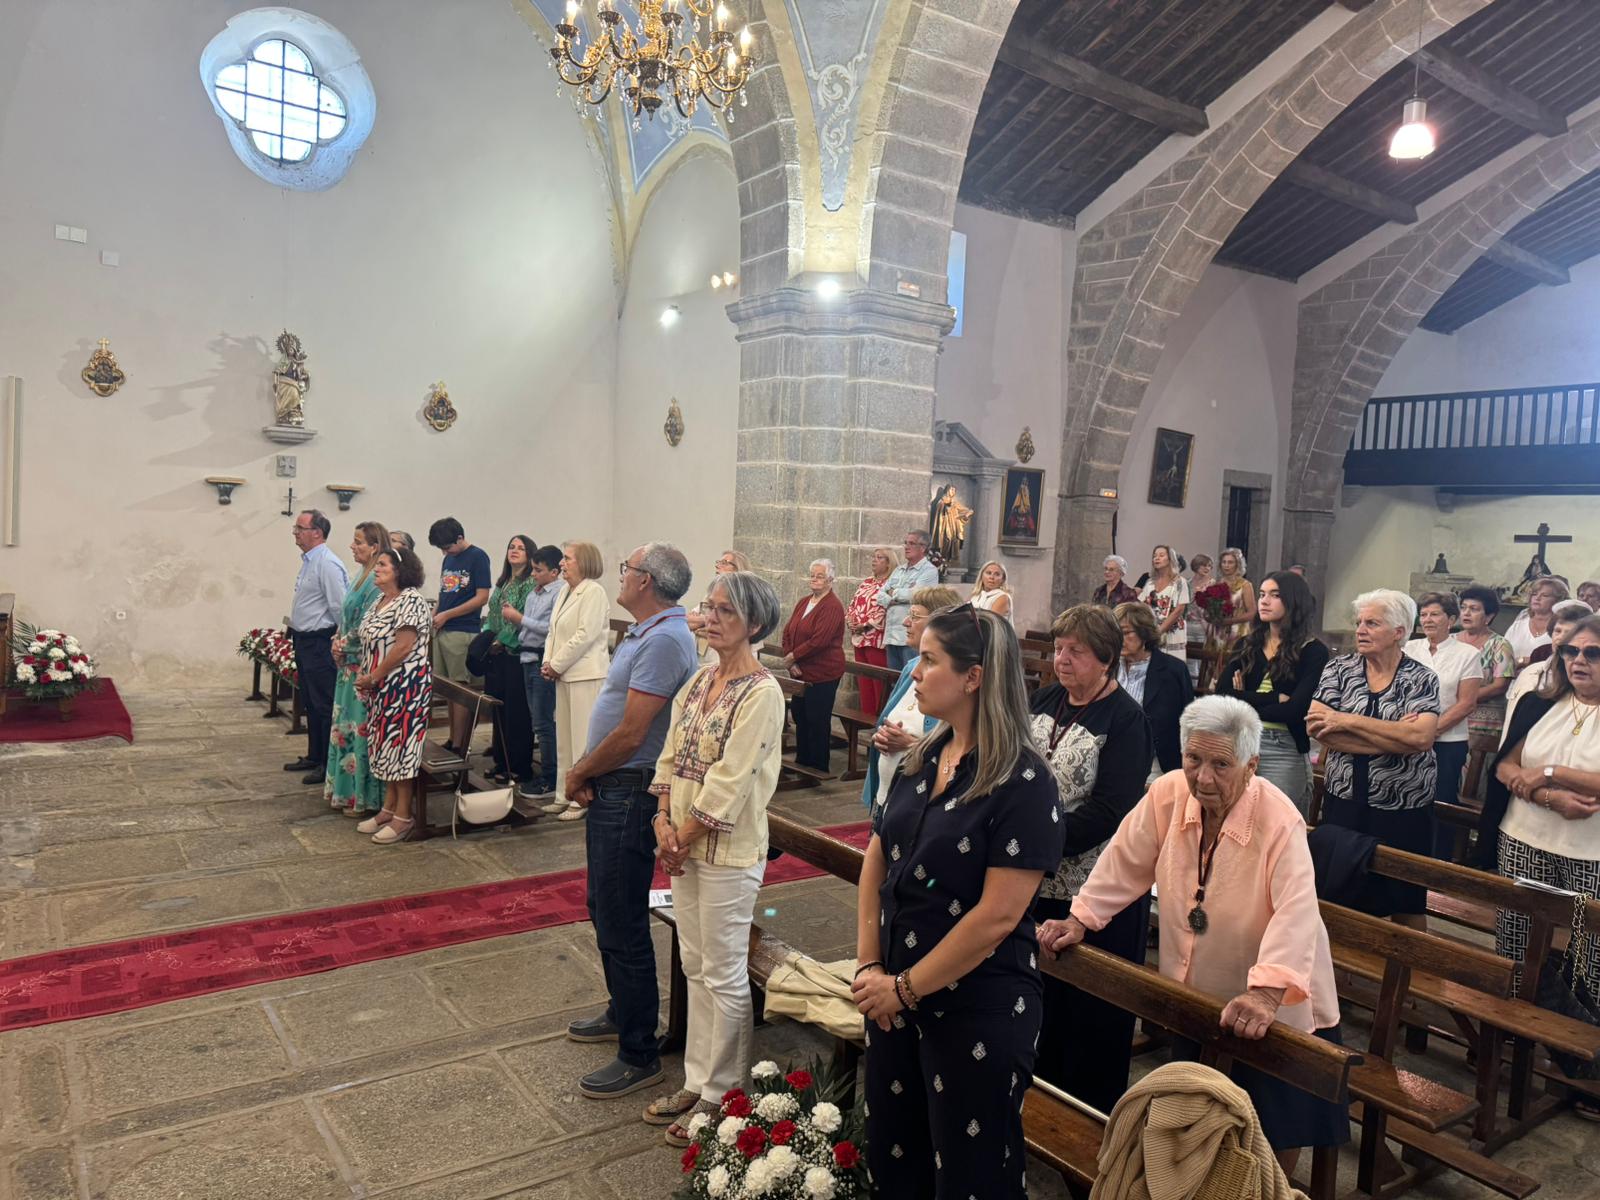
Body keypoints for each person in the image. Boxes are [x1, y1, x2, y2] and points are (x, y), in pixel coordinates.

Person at [1042, 696, 1345, 1175]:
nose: (1203, 778)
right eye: (1193, 760)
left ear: (1251, 765)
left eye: (1220, 764)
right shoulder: (1167, 793)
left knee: (1274, 1126)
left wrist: (1266, 993)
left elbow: (1297, 910)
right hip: (1198, 990)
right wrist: (1080, 918)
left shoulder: (1279, 817)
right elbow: (1125, 858)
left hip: (1273, 996)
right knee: (1196, 1112)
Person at [852, 606, 1064, 1198]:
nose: (912, 673)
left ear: (973, 678)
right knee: (897, 1155)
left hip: (977, 1003)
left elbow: (997, 916)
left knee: (970, 1174)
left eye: (928, 659)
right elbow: (877, 857)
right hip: (893, 993)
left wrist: (904, 987)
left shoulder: (1024, 783)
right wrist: (872, 968)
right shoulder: (923, 757)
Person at [642, 571, 786, 1143]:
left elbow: (732, 780)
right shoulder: (700, 681)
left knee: (724, 973)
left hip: (726, 850)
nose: (712, 617)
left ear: (753, 624)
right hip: (682, 839)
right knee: (694, 964)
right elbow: (670, 756)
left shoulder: (762, 692)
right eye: (710, 607)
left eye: (726, 611)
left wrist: (681, 836)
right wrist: (661, 821)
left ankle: (725, 1094)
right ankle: (697, 1080)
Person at [563, 543, 698, 1100]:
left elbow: (633, 732)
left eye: (627, 569)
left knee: (621, 917)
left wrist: (578, 771)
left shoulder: (666, 638)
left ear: (647, 581)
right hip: (616, 785)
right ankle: (624, 1011)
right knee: (605, 907)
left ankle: (640, 1052)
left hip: (632, 790)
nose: (621, 575)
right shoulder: (649, 630)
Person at [1029, 604, 1153, 1113]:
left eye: (1075, 651)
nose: (1062, 659)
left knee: (1088, 1017)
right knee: (1039, 1002)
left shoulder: (1127, 719)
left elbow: (1111, 810)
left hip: (1095, 888)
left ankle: (1091, 1120)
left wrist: (1037, 840)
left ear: (1105, 658)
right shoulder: (1043, 699)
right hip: (1034, 879)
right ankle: (1039, 1102)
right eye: (1058, 649)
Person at [1486, 613, 1600, 1121]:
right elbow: (1504, 766)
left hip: (1591, 852)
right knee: (1515, 942)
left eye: (1593, 653)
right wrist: (1549, 794)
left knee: (1586, 957)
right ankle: (1517, 1040)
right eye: (1572, 652)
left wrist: (1548, 771)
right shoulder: (1538, 703)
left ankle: (1583, 1066)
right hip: (1524, 839)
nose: (1579, 661)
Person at [1307, 589, 1440, 927]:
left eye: (1372, 623)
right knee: (1337, 892)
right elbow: (1319, 729)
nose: (1360, 630)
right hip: (1345, 800)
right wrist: (1395, 735)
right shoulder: (1340, 669)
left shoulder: (1421, 678)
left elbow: (1421, 737)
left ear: (1399, 632)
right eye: (1359, 623)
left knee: (1406, 899)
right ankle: (1338, 973)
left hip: (1404, 806)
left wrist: (1348, 720)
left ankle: (1405, 977)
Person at [1216, 570, 1329, 816]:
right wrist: (1273, 698)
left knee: (1277, 826)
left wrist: (1243, 697)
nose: (1264, 601)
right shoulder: (1246, 645)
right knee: (1234, 821)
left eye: (1275, 595)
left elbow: (1295, 710)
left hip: (1283, 748)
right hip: (1240, 742)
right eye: (1262, 594)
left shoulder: (1313, 651)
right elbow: (1222, 697)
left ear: (1293, 600)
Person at [860, 585, 964, 817]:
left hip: (922, 805)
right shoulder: (910, 669)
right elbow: (887, 719)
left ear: (940, 623)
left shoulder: (952, 680)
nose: (906, 622)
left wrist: (910, 745)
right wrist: (882, 736)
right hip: (887, 796)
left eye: (915, 616)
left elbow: (961, 751)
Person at [353, 546, 433, 845]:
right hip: (382, 687)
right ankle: (388, 808)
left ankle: (403, 817)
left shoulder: (410, 601)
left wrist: (374, 676)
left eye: (383, 564)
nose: (377, 569)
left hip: (404, 687)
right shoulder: (382, 599)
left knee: (400, 750)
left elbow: (403, 647)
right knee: (384, 746)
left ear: (399, 571)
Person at [1404, 592, 1482, 859]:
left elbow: (1466, 703)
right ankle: (1406, 858)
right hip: (1407, 738)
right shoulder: (1409, 649)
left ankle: (1438, 865)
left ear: (1451, 619)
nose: (1427, 619)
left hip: (1448, 743)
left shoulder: (1467, 653)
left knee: (1440, 804)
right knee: (1406, 799)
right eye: (1423, 614)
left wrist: (1432, 729)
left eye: (1434, 614)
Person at [540, 541, 612, 821]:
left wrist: (556, 664)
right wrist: (548, 662)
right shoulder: (564, 592)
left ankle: (582, 797)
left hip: (586, 673)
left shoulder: (593, 592)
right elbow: (552, 631)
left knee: (582, 738)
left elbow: (585, 635)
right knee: (564, 739)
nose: (562, 563)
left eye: (568, 559)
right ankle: (563, 793)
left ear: (583, 562)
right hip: (564, 672)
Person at [327, 520, 390, 817]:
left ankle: (363, 796)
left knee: (360, 732)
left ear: (375, 547)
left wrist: (345, 644)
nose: (352, 546)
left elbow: (369, 624)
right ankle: (345, 792)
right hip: (349, 665)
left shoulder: (377, 582)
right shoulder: (358, 576)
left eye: (359, 542)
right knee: (347, 730)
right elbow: (346, 616)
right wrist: (337, 640)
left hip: (364, 667)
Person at [285, 509, 349, 786]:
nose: (295, 532)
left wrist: (339, 641)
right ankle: (314, 754)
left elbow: (338, 606)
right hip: (304, 640)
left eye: (300, 528)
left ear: (317, 533)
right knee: (310, 701)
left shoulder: (328, 563)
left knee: (323, 704)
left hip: (320, 642)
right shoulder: (310, 560)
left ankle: (326, 763)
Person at [504, 544, 566, 802]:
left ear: (554, 572)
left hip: (543, 658)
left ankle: (551, 778)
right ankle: (547, 772)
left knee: (543, 723)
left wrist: (519, 619)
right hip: (527, 657)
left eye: (538, 571)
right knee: (535, 720)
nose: (533, 575)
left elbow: (552, 629)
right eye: (533, 570)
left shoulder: (559, 593)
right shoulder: (533, 594)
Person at [427, 518, 492, 757]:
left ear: (460, 538)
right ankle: (452, 738)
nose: (445, 552)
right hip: (443, 628)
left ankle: (460, 744)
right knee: (447, 689)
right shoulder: (449, 558)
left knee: (461, 690)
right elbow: (444, 592)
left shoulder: (478, 557)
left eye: (447, 546)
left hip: (463, 629)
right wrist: (434, 616)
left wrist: (447, 615)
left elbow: (481, 597)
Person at [480, 536, 539, 787]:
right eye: (511, 547)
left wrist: (501, 642)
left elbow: (523, 618)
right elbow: (494, 614)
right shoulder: (504, 581)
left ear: (530, 555)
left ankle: (519, 766)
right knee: (499, 708)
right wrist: (488, 640)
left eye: (521, 548)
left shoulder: (529, 583)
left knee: (517, 712)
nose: (514, 551)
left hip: (515, 653)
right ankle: (502, 761)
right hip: (496, 653)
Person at [1500, 602, 1596, 748]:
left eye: (1568, 633)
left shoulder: (1581, 680)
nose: (1560, 638)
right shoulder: (1530, 673)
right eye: (1557, 631)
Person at [781, 559, 847, 772]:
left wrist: (793, 657)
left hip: (823, 672)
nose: (815, 579)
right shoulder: (804, 601)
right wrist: (791, 660)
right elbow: (788, 631)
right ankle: (803, 760)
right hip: (800, 671)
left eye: (820, 576)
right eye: (812, 575)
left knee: (816, 718)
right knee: (800, 714)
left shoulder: (832, 606)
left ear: (830, 579)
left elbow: (820, 641)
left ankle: (818, 765)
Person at [1116, 601, 1194, 775]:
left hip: (1155, 762)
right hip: (1113, 757)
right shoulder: (1108, 667)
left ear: (1144, 633)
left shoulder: (1173, 670)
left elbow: (1188, 719)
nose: (1119, 639)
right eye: (1116, 633)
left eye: (1126, 633)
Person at [1456, 585, 1516, 748]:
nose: (1466, 613)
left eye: (1474, 609)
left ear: (1489, 616)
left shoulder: (1500, 645)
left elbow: (1499, 686)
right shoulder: (1450, 641)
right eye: (1463, 608)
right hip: (1448, 716)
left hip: (1482, 724)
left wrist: (1463, 700)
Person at [876, 530, 939, 672]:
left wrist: (893, 592)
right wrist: (898, 596)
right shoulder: (899, 570)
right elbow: (880, 595)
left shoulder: (929, 571)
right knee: (893, 682)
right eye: (906, 543)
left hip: (909, 637)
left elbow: (917, 595)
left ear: (923, 548)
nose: (906, 547)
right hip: (891, 635)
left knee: (910, 679)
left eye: (911, 543)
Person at [846, 546, 897, 717]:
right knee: (864, 682)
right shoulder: (867, 582)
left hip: (875, 639)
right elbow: (854, 603)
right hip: (859, 638)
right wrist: (851, 620)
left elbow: (883, 609)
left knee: (878, 684)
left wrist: (866, 625)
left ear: (889, 563)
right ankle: (866, 719)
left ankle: (878, 720)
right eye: (873, 557)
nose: (874, 560)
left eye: (879, 557)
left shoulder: (891, 584)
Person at [685, 550, 749, 649]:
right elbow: (688, 621)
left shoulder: (744, 594)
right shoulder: (712, 592)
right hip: (703, 653)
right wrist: (704, 623)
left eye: (724, 563)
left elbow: (732, 625)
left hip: (728, 652)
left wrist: (702, 621)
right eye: (718, 562)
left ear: (738, 569)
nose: (718, 566)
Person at [1138, 545, 1190, 664]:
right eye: (1154, 556)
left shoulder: (1179, 581)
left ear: (1170, 559)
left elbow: (1179, 609)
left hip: (1172, 632)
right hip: (1152, 631)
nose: (1157, 558)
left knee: (1172, 668)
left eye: (1161, 555)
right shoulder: (1150, 582)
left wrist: (1159, 631)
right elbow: (1141, 606)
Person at [1506, 576, 1571, 667]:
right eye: (1534, 594)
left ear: (1558, 600)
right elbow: (1503, 654)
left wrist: (1524, 661)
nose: (1537, 598)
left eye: (1545, 595)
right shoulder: (1519, 624)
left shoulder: (1562, 627)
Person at [1218, 547, 1255, 649]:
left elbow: (1252, 613)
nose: (1226, 565)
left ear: (1237, 564)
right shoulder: (1217, 584)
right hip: (1219, 631)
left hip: (1238, 631)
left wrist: (1230, 621)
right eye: (1224, 562)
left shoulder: (1245, 585)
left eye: (1230, 562)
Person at [971, 560, 1014, 624]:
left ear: (1003, 579)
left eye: (997, 574)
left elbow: (989, 623)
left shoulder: (1002, 597)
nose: (991, 577)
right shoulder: (976, 595)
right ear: (981, 576)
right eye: (988, 573)